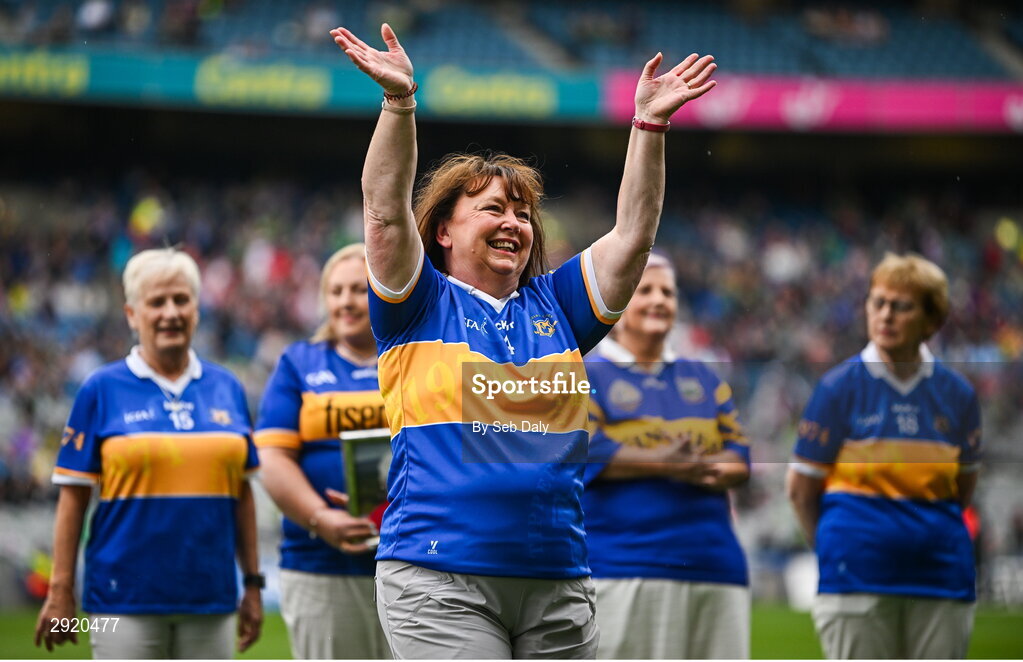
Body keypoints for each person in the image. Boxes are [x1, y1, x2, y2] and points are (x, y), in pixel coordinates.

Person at [330, 22, 717, 659]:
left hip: (558, 583)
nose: (513, 223)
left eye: (522, 214)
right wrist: (399, 106)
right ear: (445, 232)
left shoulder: (558, 305)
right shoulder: (416, 301)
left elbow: (634, 235)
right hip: (439, 579)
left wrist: (648, 128)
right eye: (491, 209)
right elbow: (382, 206)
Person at [34, 247, 263, 658]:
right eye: (156, 302)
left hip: (211, 598)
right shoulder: (100, 389)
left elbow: (242, 494)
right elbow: (73, 497)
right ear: (132, 314)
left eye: (181, 299)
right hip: (123, 600)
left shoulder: (227, 387)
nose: (170, 312)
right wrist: (60, 590)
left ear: (197, 309)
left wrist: (252, 585)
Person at [786, 253, 981, 659]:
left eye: (901, 305)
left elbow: (962, 491)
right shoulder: (837, 388)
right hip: (855, 575)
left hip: (941, 577)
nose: (885, 314)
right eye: (878, 302)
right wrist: (838, 547)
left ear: (931, 320)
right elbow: (801, 490)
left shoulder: (959, 396)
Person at [583, 255, 751, 659]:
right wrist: (670, 460)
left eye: (668, 292)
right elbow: (585, 449)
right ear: (619, 300)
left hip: (716, 567)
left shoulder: (706, 378)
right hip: (623, 567)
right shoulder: (584, 371)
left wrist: (700, 465)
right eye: (646, 291)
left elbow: (740, 456)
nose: (659, 300)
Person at [255, 243, 390, 659]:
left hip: (415, 557)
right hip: (320, 560)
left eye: (358, 289)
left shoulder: (415, 359)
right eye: (335, 292)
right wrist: (321, 518)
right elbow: (273, 459)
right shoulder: (297, 363)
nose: (346, 301)